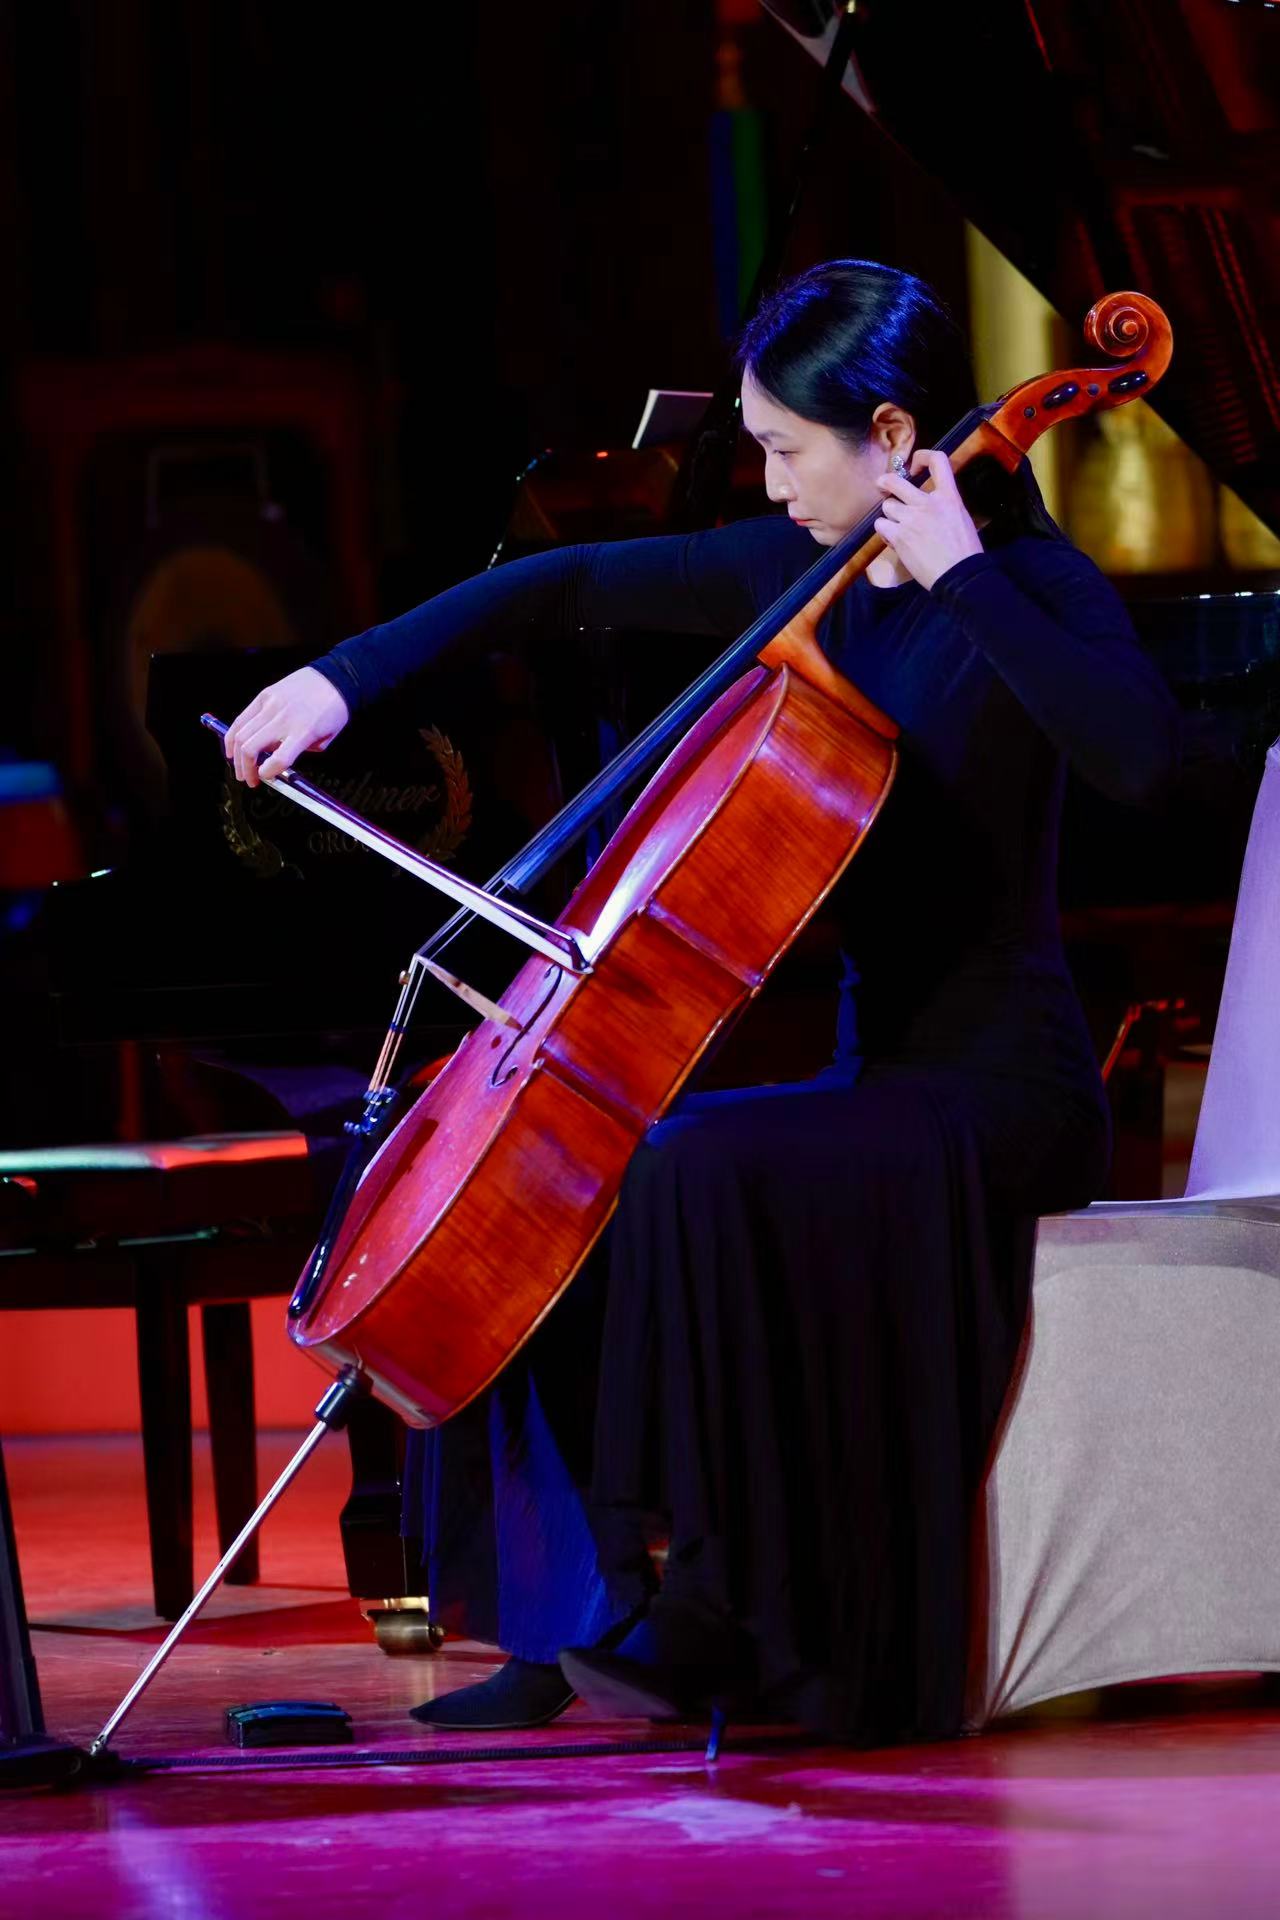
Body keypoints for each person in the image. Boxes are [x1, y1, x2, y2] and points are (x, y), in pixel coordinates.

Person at [225, 260, 1178, 1745]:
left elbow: (1144, 761)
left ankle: (717, 1607)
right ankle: (593, 1615)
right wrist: (344, 679)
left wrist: (966, 577)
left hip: (1001, 1098)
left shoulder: (1032, 591)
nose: (768, 480)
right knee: (566, 1181)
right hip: (882, 1085)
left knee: (694, 1162)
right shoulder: (810, 579)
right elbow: (569, 584)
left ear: (891, 433)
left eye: (786, 448)